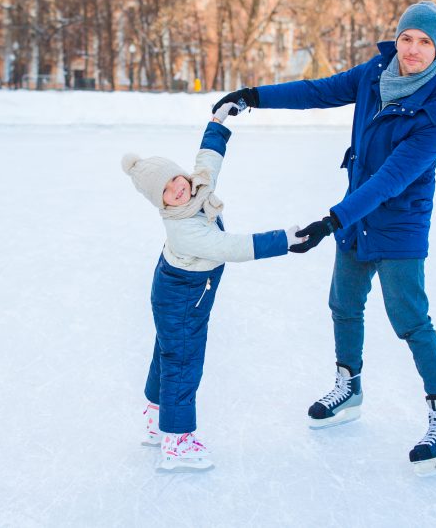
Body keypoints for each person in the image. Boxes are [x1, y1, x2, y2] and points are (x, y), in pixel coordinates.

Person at [212, 1, 436, 476]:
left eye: (425, 43)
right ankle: (348, 387)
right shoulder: (376, 72)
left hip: (398, 225)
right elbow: (317, 90)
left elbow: (392, 178)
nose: (412, 50)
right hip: (355, 216)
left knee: (411, 320)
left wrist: (332, 219)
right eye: (408, 38)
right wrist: (253, 96)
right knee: (343, 304)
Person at [121, 102, 302, 473]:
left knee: (168, 353)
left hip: (179, 290)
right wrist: (284, 240)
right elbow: (229, 247)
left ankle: (157, 418)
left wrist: (218, 121)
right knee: (183, 361)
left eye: (177, 179)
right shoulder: (185, 230)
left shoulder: (196, 187)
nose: (178, 188)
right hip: (182, 297)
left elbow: (209, 159)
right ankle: (177, 440)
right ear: (160, 202)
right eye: (169, 192)